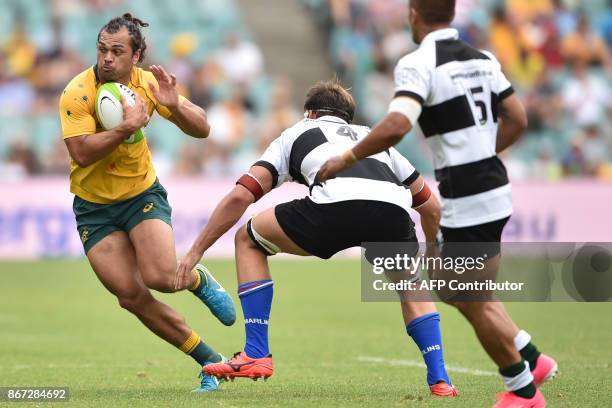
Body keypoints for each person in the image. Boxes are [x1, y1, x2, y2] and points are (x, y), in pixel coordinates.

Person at [317, 1, 558, 407]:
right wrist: (483, 152)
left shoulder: (418, 62)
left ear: (414, 14)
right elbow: (517, 118)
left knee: (462, 291)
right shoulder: (484, 58)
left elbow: (397, 124)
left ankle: (523, 390)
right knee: (461, 289)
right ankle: (533, 359)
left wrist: (345, 158)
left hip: (468, 194)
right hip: (495, 189)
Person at [176, 80, 459, 397]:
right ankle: (441, 380)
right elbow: (432, 208)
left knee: (248, 239)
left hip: (332, 210)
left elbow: (241, 196)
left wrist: (195, 251)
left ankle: (256, 354)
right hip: (391, 213)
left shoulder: (296, 132)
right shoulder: (374, 139)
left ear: (309, 113)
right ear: (347, 118)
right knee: (410, 285)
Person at [58, 13, 236, 392]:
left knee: (159, 276)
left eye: (117, 51)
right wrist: (126, 126)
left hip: (141, 195)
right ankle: (211, 361)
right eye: (102, 49)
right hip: (93, 207)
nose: (107, 58)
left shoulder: (149, 85)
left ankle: (197, 278)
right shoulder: (77, 92)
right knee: (130, 295)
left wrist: (178, 106)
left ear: (136, 55)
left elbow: (202, 128)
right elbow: (82, 152)